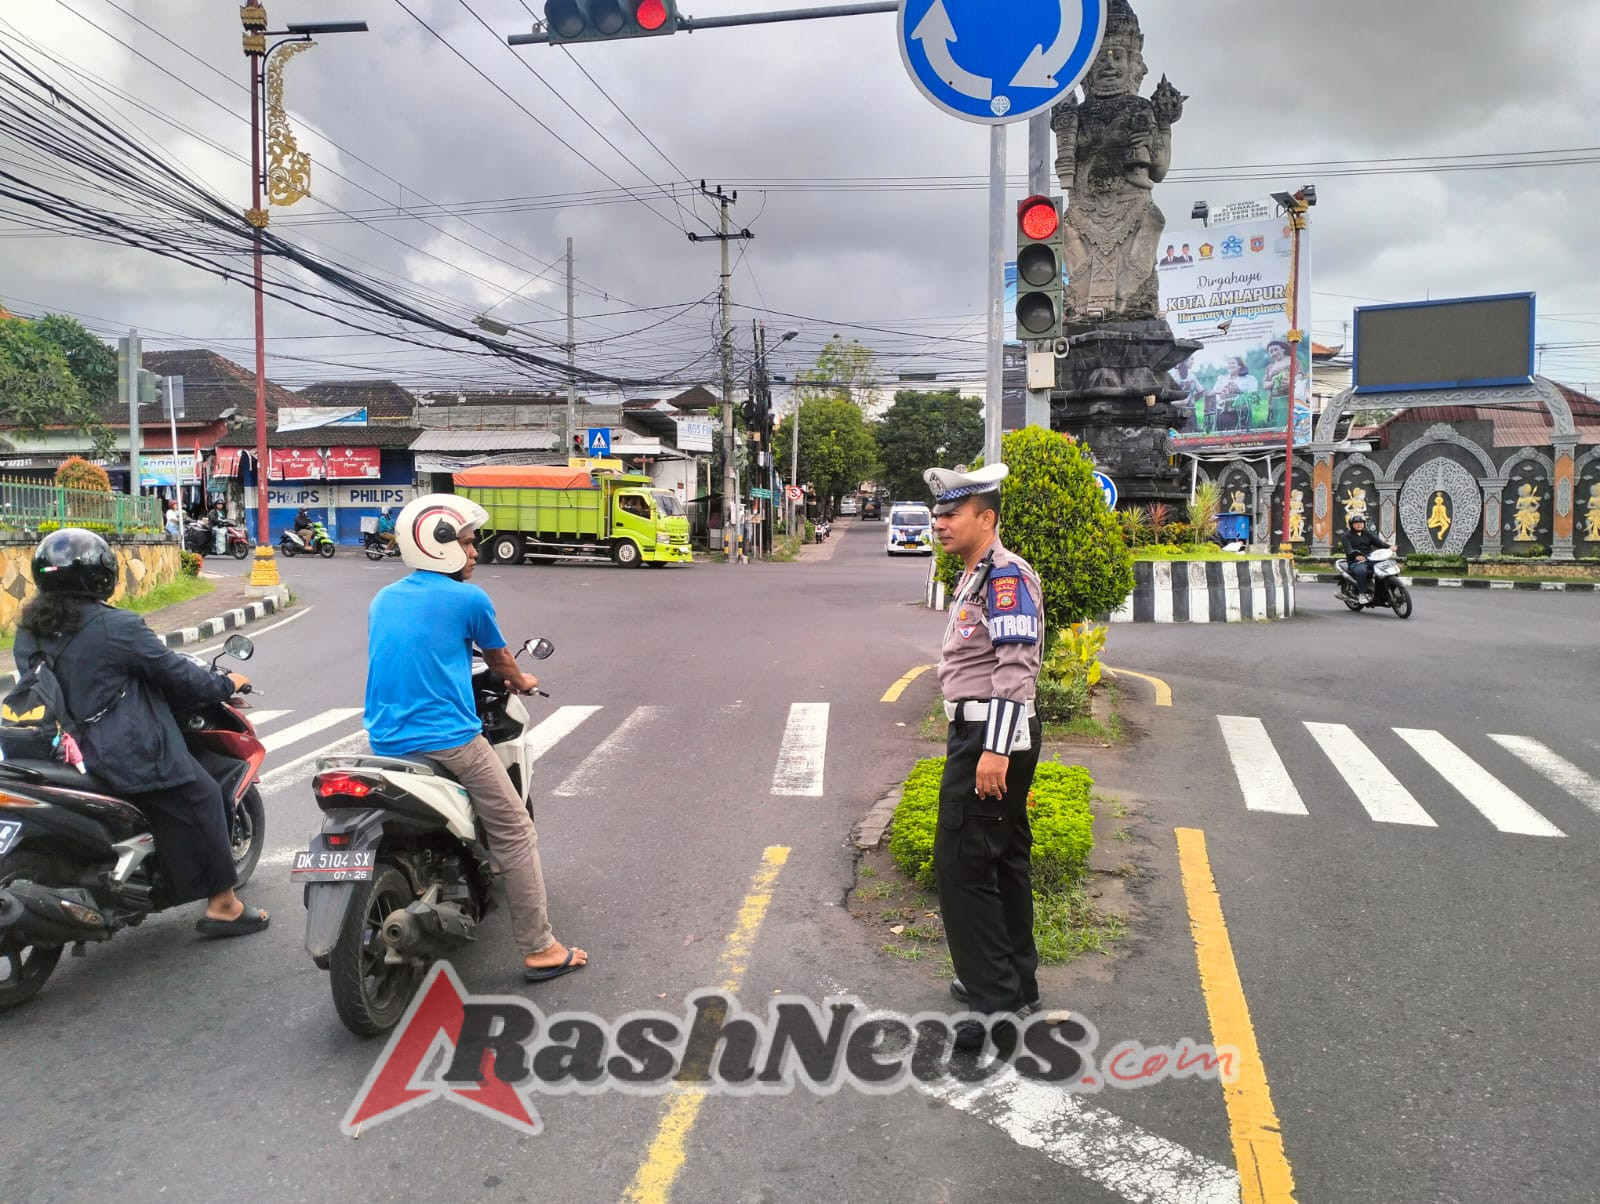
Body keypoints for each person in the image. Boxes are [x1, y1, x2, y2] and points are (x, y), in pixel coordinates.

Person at [364, 494, 588, 983]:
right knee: (514, 830)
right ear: (437, 546)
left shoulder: (384, 599)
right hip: (448, 740)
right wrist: (521, 679)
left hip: (383, 740)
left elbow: (420, 655)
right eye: (466, 543)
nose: (473, 553)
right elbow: (502, 662)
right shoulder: (468, 599)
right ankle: (540, 947)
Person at [13, 528, 266, 936]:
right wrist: (227, 683)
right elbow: (178, 675)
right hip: (120, 754)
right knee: (202, 794)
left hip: (58, 749)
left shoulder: (30, 628)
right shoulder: (118, 627)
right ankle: (224, 904)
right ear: (100, 575)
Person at [924, 463, 1045, 1050]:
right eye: (938, 513)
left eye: (951, 513)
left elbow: (1014, 668)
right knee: (1000, 859)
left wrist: (993, 749)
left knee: (963, 865)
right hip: (985, 734)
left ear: (986, 517)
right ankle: (1015, 980)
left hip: (990, 737)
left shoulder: (1004, 577)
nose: (939, 522)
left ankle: (994, 1002)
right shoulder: (976, 576)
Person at [1341, 513, 1389, 601]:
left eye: (1361, 522)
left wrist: (1390, 547)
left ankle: (1385, 591)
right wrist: (1356, 556)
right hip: (1355, 561)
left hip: (1370, 559)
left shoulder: (1367, 533)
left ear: (1364, 523)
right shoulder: (1346, 536)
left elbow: (1379, 543)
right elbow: (1349, 549)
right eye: (1356, 523)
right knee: (1361, 571)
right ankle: (1361, 594)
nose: (1359, 524)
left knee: (1385, 567)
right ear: (1351, 525)